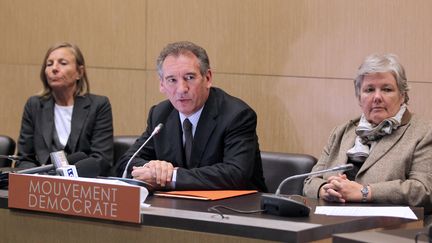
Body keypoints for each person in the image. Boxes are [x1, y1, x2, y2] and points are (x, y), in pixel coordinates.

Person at [115, 41, 267, 191]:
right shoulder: (160, 114)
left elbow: (235, 174)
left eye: (189, 77)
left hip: (236, 210)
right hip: (177, 208)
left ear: (207, 78)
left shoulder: (236, 115)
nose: (181, 89)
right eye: (172, 80)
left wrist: (171, 176)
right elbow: (126, 163)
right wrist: (153, 169)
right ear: (162, 84)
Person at [303, 53, 432, 211]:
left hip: (389, 230)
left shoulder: (423, 132)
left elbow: (424, 191)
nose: (377, 97)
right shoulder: (342, 132)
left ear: (402, 95)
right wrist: (326, 190)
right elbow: (310, 182)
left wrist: (364, 192)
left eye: (387, 89)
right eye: (369, 90)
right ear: (359, 97)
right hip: (333, 223)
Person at [16, 42, 113, 176]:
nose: (54, 68)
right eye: (49, 64)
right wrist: (40, 176)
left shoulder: (98, 105)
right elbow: (24, 159)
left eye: (63, 63)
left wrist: (65, 177)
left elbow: (101, 160)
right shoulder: (34, 105)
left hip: (82, 186)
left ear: (79, 72)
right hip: (41, 186)